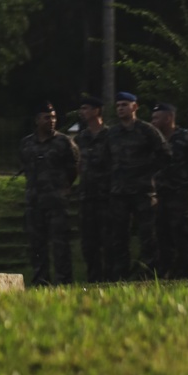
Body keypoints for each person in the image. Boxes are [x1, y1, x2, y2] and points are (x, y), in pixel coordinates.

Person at [105, 91, 169, 279]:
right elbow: (106, 158)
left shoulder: (147, 130)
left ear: (135, 107)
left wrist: (149, 173)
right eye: (118, 106)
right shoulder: (113, 133)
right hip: (119, 192)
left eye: (125, 105)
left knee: (148, 235)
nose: (120, 108)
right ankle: (121, 276)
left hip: (143, 191)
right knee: (119, 237)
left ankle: (151, 274)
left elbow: (165, 154)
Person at [20, 101, 79, 285]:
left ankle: (64, 281)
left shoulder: (64, 142)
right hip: (34, 201)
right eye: (47, 117)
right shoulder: (26, 143)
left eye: (53, 117)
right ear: (37, 120)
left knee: (60, 244)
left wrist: (62, 189)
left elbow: (74, 168)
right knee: (37, 244)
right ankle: (40, 281)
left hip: (56, 202)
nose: (52, 121)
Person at [151, 102, 188, 278]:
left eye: (156, 117)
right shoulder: (153, 139)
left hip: (182, 195)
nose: (153, 121)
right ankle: (165, 275)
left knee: (185, 236)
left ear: (169, 118)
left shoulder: (187, 138)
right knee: (162, 237)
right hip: (160, 196)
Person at [76, 92, 111, 282]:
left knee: (108, 240)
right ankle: (93, 278)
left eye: (86, 108)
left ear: (97, 110)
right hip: (87, 196)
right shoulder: (82, 137)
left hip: (106, 196)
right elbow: (78, 164)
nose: (82, 112)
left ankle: (110, 278)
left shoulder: (110, 135)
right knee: (88, 242)